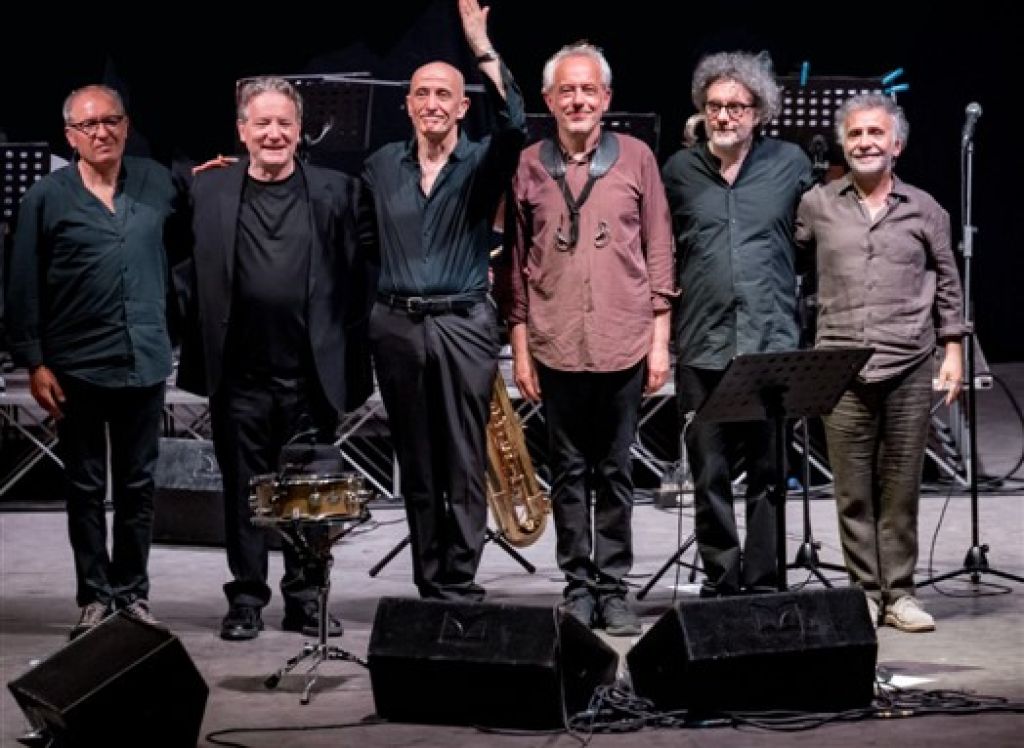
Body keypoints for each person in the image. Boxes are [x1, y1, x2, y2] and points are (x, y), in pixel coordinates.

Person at [180, 76, 365, 640]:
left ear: (300, 129)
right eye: (262, 123)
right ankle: (246, 599)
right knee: (244, 491)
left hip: (309, 375)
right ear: (242, 131)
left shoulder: (337, 191)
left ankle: (306, 598)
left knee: (308, 494)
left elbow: (363, 269)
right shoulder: (207, 189)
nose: (274, 133)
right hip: (239, 375)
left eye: (284, 122)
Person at [502, 41, 675, 635]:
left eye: (588, 90)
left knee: (616, 472)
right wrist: (521, 349)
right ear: (549, 100)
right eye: (566, 91)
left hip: (623, 340)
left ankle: (613, 587)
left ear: (606, 98)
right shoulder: (528, 164)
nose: (578, 100)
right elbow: (515, 267)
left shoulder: (637, 158)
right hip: (555, 344)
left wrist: (660, 340)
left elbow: (659, 248)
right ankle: (578, 585)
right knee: (569, 473)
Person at [359, 0, 526, 601]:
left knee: (461, 456)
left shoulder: (480, 162)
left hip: (461, 322)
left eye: (444, 95)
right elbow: (365, 239)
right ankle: (430, 580)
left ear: (461, 107)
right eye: (422, 93)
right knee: (416, 459)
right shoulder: (382, 166)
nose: (432, 103)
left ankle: (459, 578)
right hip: (398, 325)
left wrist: (481, 47)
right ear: (408, 104)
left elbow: (515, 126)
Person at [6, 84, 178, 638]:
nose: (102, 132)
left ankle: (132, 593)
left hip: (143, 361)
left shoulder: (156, 182)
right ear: (70, 136)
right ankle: (95, 595)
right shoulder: (45, 198)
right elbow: (22, 283)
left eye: (111, 121)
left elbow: (194, 228)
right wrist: (34, 361)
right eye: (89, 125)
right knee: (84, 487)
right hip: (75, 367)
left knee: (138, 486)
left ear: (126, 125)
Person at [795, 93, 967, 631]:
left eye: (876, 133)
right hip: (840, 364)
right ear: (843, 144)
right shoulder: (817, 205)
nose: (865, 142)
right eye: (855, 134)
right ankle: (865, 593)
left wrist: (953, 349)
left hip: (908, 361)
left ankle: (901, 593)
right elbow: (788, 263)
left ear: (897, 144)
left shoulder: (925, 208)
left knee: (899, 485)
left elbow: (948, 283)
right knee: (851, 489)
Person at [662, 52, 814, 597]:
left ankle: (766, 580)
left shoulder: (790, 163)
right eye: (714, 106)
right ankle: (722, 581)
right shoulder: (679, 172)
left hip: (769, 342)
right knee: (709, 473)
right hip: (702, 342)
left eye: (736, 106)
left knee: (771, 472)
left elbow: (814, 238)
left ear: (759, 111)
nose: (723, 116)